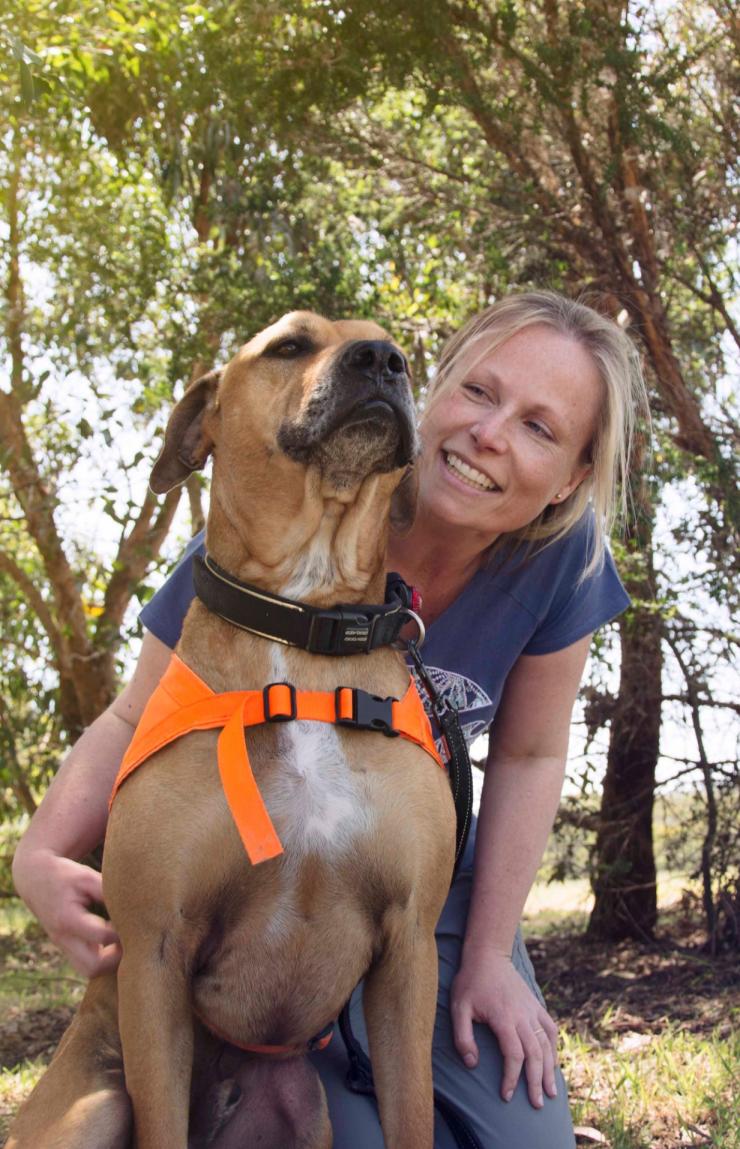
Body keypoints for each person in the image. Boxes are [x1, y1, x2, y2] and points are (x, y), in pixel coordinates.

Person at [12, 291, 647, 1148]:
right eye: (478, 392)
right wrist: (41, 849)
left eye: (540, 427)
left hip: (429, 887)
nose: (491, 434)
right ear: (440, 392)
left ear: (570, 476)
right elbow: (138, 712)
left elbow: (530, 755)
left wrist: (491, 953)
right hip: (260, 920)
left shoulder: (562, 555)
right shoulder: (255, 540)